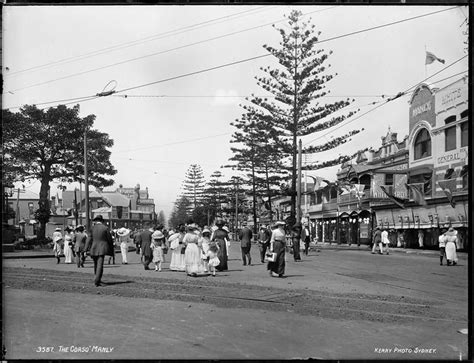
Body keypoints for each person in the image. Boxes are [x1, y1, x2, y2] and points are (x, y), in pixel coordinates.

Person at [85, 215, 114, 287]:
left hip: (94, 248)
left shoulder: (92, 228)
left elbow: (89, 239)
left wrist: (85, 249)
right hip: (102, 248)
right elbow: (109, 239)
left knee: (95, 264)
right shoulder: (105, 228)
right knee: (100, 265)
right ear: (102, 221)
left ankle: (96, 278)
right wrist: (111, 248)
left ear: (96, 221)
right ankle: (97, 280)